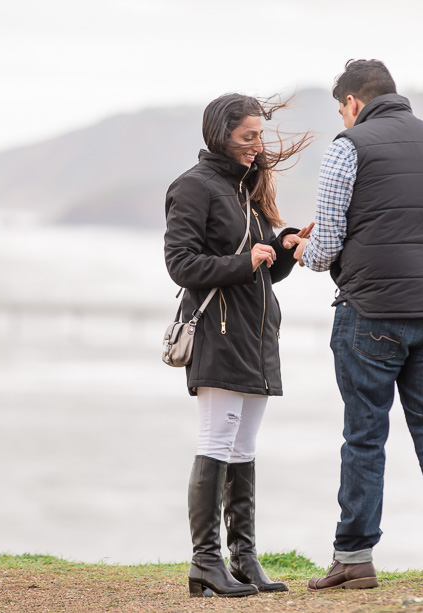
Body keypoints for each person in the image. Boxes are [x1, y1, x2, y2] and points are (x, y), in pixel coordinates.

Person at [291, 59, 423, 588]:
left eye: (341, 110)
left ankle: (354, 559)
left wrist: (301, 247)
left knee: (365, 434)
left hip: (374, 313)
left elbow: (326, 248)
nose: (343, 119)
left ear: (353, 103)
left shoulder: (348, 147)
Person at [164, 93, 313, 598]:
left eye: (259, 136)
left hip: (256, 336)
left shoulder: (247, 188)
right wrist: (243, 262)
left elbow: (260, 269)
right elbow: (181, 265)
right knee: (215, 445)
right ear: (220, 134)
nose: (257, 145)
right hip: (218, 336)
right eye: (248, 137)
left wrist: (284, 248)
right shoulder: (193, 187)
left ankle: (243, 557)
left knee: (243, 449)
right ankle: (206, 561)